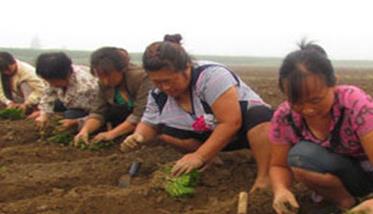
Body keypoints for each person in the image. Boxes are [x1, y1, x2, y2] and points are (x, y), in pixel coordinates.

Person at [121, 34, 273, 192]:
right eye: (157, 82)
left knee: (259, 114)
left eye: (169, 80)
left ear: (186, 68)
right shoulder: (157, 94)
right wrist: (138, 135)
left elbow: (231, 122)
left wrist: (199, 156)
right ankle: (212, 160)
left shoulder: (211, 76)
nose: (164, 87)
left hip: (244, 132)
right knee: (166, 132)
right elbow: (149, 124)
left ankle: (265, 177)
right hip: (209, 133)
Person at [269, 41, 373, 214]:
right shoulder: (285, 116)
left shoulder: (355, 104)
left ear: (334, 84)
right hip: (345, 176)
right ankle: (347, 203)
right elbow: (278, 165)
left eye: (316, 100)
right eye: (297, 102)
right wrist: (280, 190)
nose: (308, 109)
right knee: (301, 157)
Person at [73, 47, 153, 143]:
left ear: (121, 69)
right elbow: (98, 112)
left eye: (108, 75)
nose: (105, 81)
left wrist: (112, 133)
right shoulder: (103, 83)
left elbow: (140, 114)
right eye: (100, 76)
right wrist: (85, 131)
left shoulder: (141, 78)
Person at [33, 52, 106, 131]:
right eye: (48, 81)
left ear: (67, 74)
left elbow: (99, 112)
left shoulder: (86, 87)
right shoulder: (54, 76)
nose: (51, 84)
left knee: (71, 114)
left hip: (90, 106)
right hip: (71, 100)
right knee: (55, 104)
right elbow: (48, 95)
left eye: (53, 81)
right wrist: (44, 115)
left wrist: (75, 122)